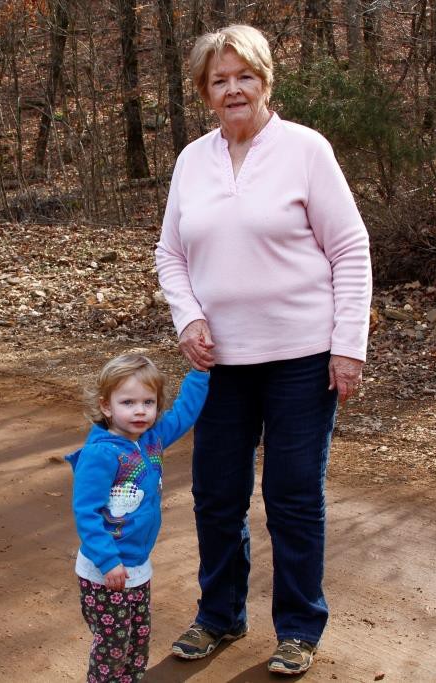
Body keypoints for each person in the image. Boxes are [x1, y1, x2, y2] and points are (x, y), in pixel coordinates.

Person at [155, 24, 372, 676]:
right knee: (216, 494)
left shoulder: (306, 151)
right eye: (219, 81)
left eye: (243, 76)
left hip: (303, 359)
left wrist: (349, 346)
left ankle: (299, 627)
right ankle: (219, 615)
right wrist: (187, 318)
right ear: (205, 92)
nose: (232, 89)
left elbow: (350, 249)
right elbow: (170, 253)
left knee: (292, 494)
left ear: (265, 80)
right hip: (218, 362)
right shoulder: (192, 161)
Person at [66, 354, 209, 682]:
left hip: (137, 566)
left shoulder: (151, 438)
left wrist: (200, 373)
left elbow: (185, 413)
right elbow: (87, 513)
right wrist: (107, 560)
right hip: (106, 570)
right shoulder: (101, 454)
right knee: (113, 643)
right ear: (106, 407)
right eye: (128, 402)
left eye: (149, 402)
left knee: (137, 639)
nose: (140, 410)